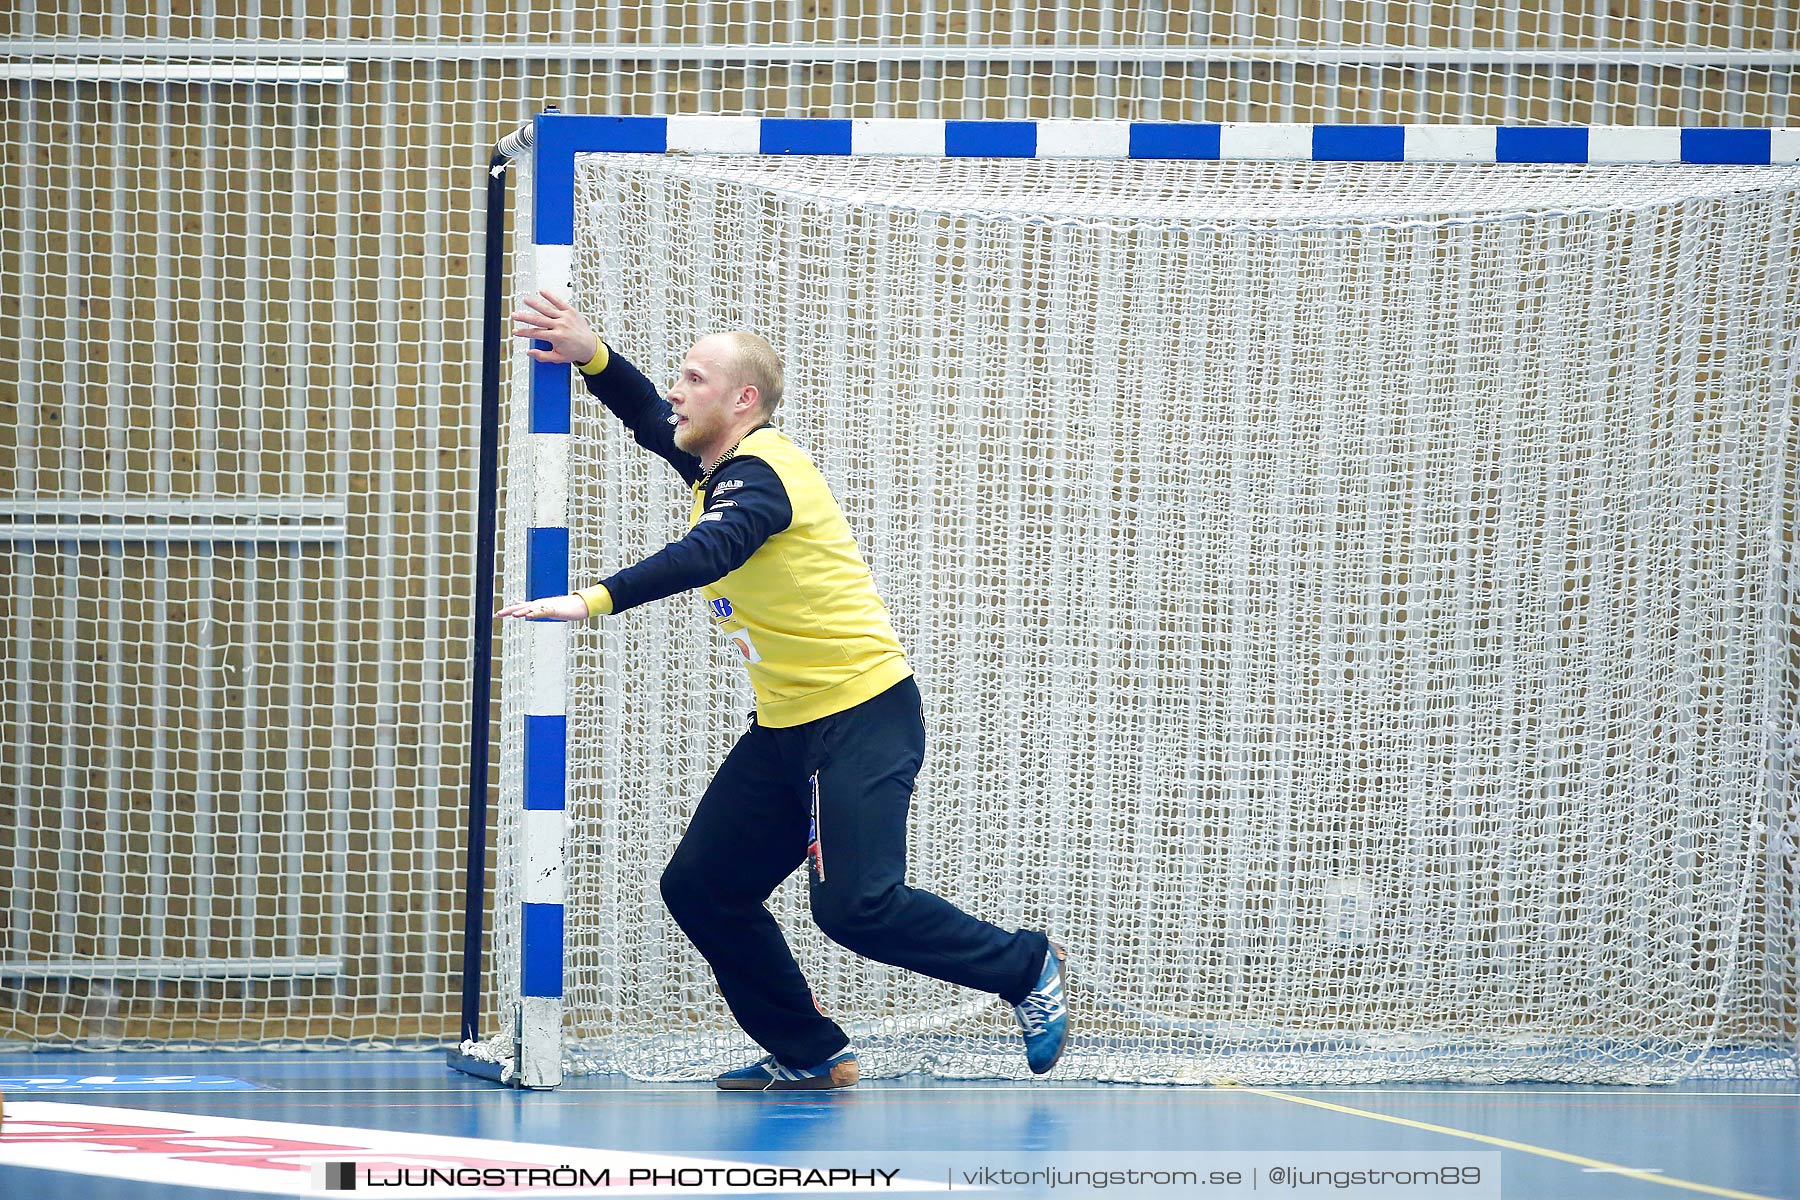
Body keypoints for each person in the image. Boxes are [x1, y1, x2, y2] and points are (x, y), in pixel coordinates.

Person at [496, 291, 1068, 1091]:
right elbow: (650, 424)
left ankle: (1025, 964)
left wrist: (593, 597)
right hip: (788, 725)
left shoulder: (764, 478)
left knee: (854, 909)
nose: (674, 391)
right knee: (703, 888)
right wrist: (591, 355)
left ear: (743, 401)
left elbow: (710, 550)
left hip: (863, 713)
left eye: (692, 379)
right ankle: (809, 1051)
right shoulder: (724, 463)